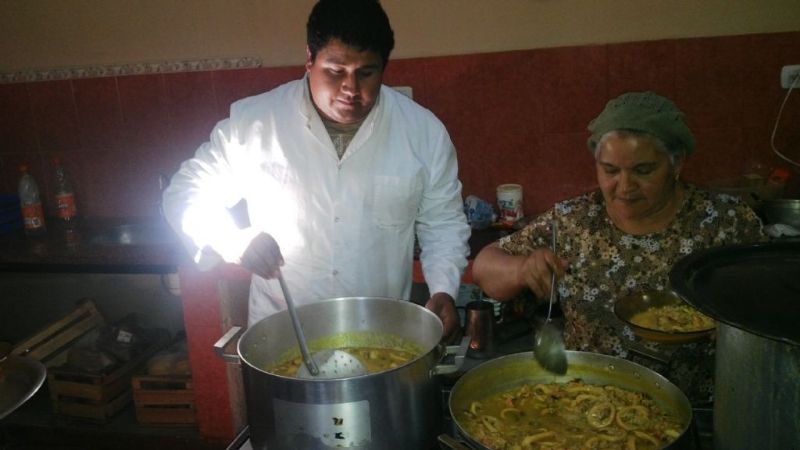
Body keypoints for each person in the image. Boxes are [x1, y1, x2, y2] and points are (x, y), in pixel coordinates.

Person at [162, 0, 469, 343]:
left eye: (366, 73)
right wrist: (232, 240)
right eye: (335, 71)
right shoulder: (255, 124)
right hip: (283, 339)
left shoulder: (422, 132)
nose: (351, 89)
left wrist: (444, 288)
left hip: (382, 338)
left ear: (384, 66)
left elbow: (443, 223)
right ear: (309, 58)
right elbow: (184, 195)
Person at [472, 91, 766, 403]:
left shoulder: (726, 222)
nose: (624, 187)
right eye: (610, 171)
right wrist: (521, 268)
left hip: (699, 409)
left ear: (676, 162)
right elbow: (484, 267)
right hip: (588, 403)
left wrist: (740, 327)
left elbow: (771, 306)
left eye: (643, 170)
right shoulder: (573, 221)